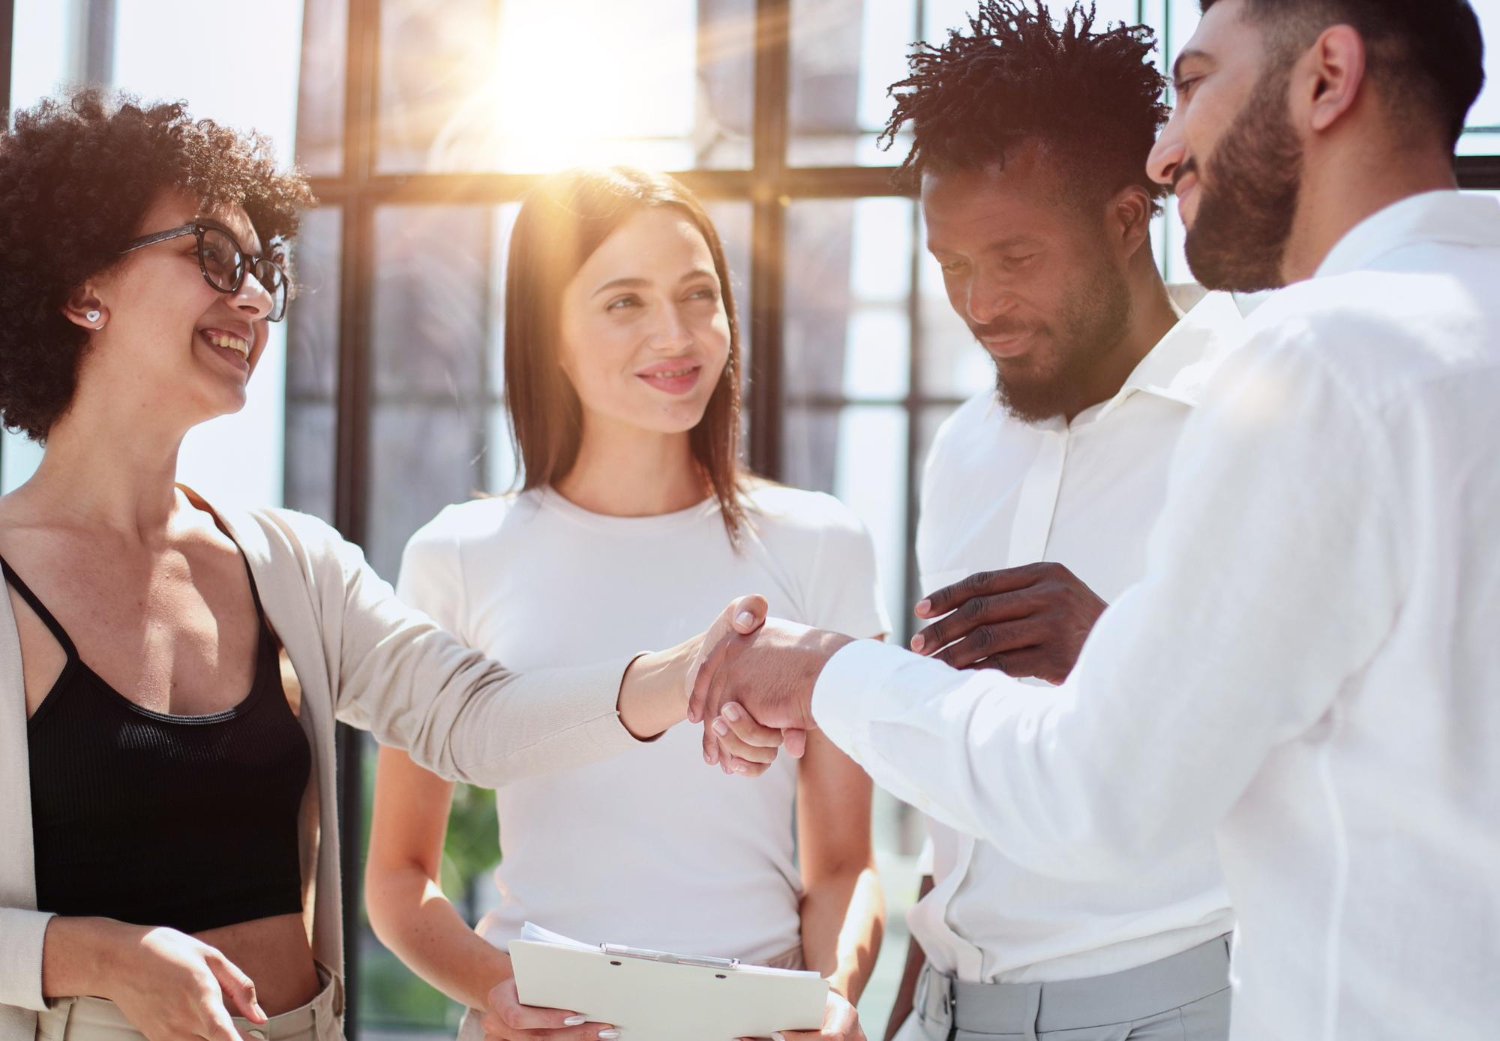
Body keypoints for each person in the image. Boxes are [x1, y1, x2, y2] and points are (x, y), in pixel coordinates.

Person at [690, 1, 1500, 1037]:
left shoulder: (1304, 372)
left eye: (1196, 82)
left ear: (1327, 78)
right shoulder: (967, 447)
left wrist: (825, 673)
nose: (1167, 150)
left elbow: (1108, 788)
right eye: (952, 267)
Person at [0, 94, 752, 1041]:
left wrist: (690, 672)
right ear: (84, 289)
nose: (256, 298)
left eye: (265, 271)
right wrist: (100, 955)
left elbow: (473, 719)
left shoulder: (293, 566)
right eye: (216, 258)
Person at [365, 166, 888, 1041]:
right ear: (549, 334)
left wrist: (830, 997)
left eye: (698, 294)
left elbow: (843, 865)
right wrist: (499, 990)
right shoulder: (457, 555)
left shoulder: (820, 542)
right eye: (624, 301)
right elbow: (397, 874)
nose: (675, 334)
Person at [863, 5, 1246, 1039]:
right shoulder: (964, 450)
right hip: (947, 1005)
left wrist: (1113, 647)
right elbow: (960, 810)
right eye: (951, 263)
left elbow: (1346, 748)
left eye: (1015, 256)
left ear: (1126, 220)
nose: (979, 304)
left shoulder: (1258, 418)